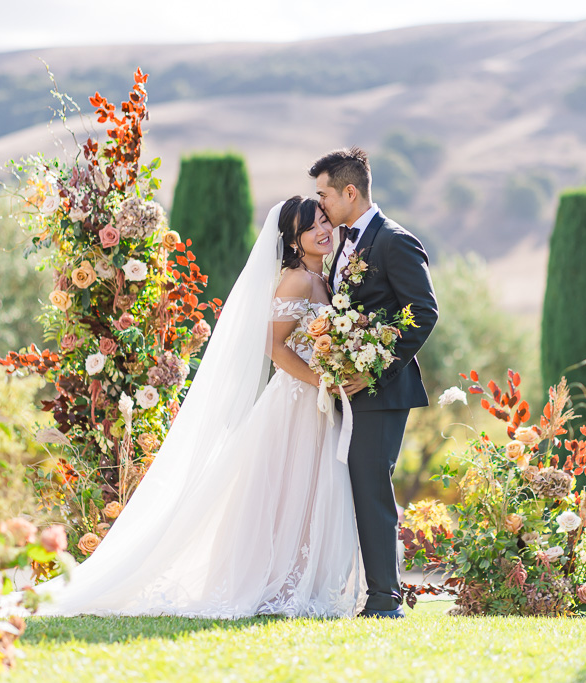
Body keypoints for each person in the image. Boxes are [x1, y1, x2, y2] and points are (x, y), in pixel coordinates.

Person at [26, 197, 366, 618]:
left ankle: (303, 581)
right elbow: (274, 348)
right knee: (285, 493)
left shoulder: (327, 277)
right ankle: (277, 584)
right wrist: (321, 379)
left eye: (324, 222)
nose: (323, 231)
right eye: (313, 227)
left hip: (318, 404)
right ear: (294, 241)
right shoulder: (295, 280)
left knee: (312, 492)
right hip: (295, 403)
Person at [310, 147, 439, 618]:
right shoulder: (344, 242)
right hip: (347, 388)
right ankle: (359, 589)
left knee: (371, 486)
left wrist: (374, 369)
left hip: (382, 392)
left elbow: (424, 312)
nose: (319, 204)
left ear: (350, 191)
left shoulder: (395, 241)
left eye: (323, 194)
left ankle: (385, 598)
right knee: (352, 485)